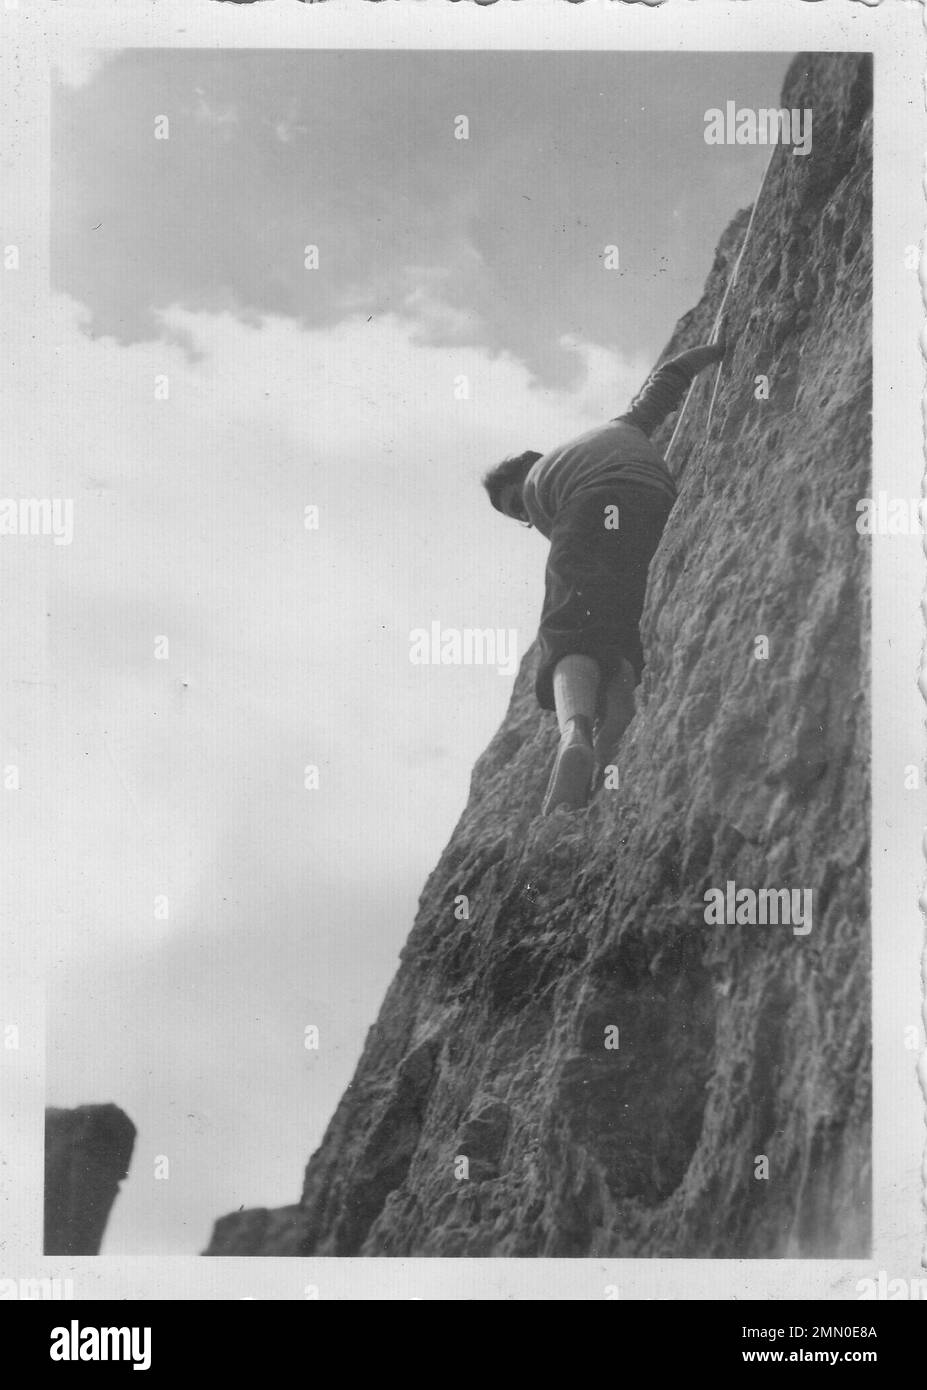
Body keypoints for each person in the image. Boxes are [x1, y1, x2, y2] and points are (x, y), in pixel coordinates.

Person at [483, 341, 725, 814]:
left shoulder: (542, 487)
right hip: (655, 507)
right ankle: (616, 717)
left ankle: (574, 732)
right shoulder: (618, 427)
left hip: (590, 508)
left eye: (516, 509)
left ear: (525, 476)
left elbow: (572, 546)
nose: (527, 521)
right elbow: (669, 378)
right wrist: (715, 349)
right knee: (619, 627)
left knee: (569, 631)